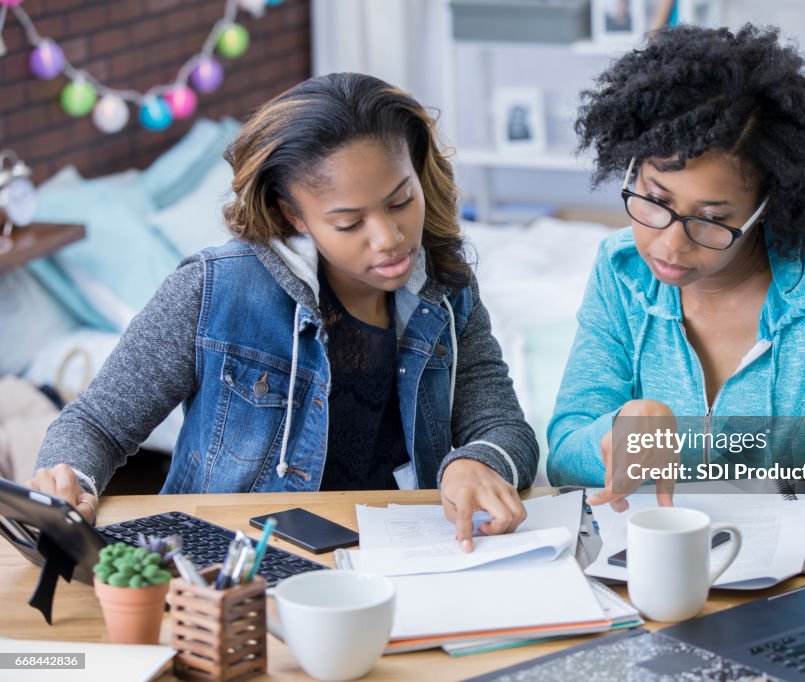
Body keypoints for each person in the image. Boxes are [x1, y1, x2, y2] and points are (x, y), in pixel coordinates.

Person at [28, 73, 538, 551]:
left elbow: (505, 426)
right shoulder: (214, 289)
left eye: (402, 200)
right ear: (293, 214)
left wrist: (477, 462)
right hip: (234, 568)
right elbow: (96, 423)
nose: (389, 238)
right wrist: (71, 476)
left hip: (405, 556)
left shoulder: (447, 292)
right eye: (348, 222)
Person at [547, 25, 805, 591]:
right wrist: (613, 435)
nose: (668, 245)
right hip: (659, 581)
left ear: (769, 205)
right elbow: (564, 450)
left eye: (710, 219)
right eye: (654, 202)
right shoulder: (619, 269)